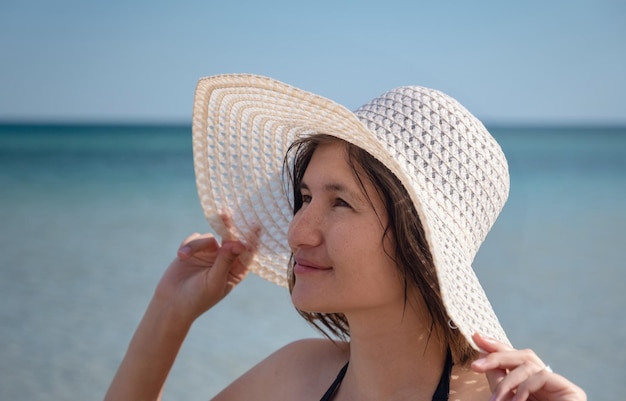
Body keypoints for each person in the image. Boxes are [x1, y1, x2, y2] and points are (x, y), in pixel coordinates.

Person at [104, 74, 587, 401]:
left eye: (340, 202)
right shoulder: (295, 379)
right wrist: (170, 310)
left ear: (421, 241)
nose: (297, 231)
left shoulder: (495, 400)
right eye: (306, 196)